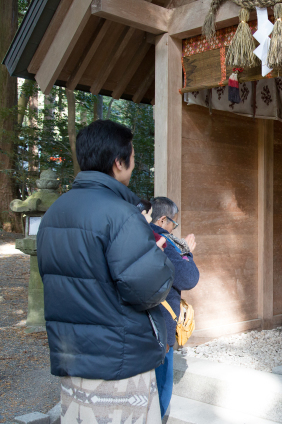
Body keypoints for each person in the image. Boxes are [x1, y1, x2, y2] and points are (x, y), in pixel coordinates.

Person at [37, 120, 175, 424]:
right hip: (119, 360)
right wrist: (158, 259)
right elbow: (148, 288)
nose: (134, 165)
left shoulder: (53, 214)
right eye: (133, 158)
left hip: (72, 357)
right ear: (118, 162)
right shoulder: (121, 214)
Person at [149, 197, 200, 419]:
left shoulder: (136, 235)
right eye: (174, 223)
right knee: (161, 384)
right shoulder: (164, 241)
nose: (174, 228)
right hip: (160, 323)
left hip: (136, 323)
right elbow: (188, 279)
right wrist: (187, 252)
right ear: (162, 220)